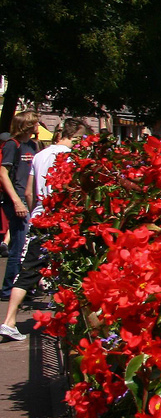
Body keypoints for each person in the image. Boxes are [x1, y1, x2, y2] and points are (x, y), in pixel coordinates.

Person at [1, 118, 86, 340]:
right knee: (70, 269)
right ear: (75, 136)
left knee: (28, 270)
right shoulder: (72, 157)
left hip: (40, 218)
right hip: (63, 219)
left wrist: (36, 212)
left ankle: (9, 320)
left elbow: (29, 191)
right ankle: (69, 322)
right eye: (82, 138)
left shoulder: (40, 154)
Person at [0, 116, 39, 299]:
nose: (38, 124)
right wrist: (16, 200)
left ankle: (23, 287)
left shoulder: (33, 145)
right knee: (19, 244)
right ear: (27, 125)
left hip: (29, 199)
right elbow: (3, 173)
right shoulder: (11, 145)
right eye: (35, 121)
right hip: (16, 200)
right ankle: (9, 289)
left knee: (27, 244)